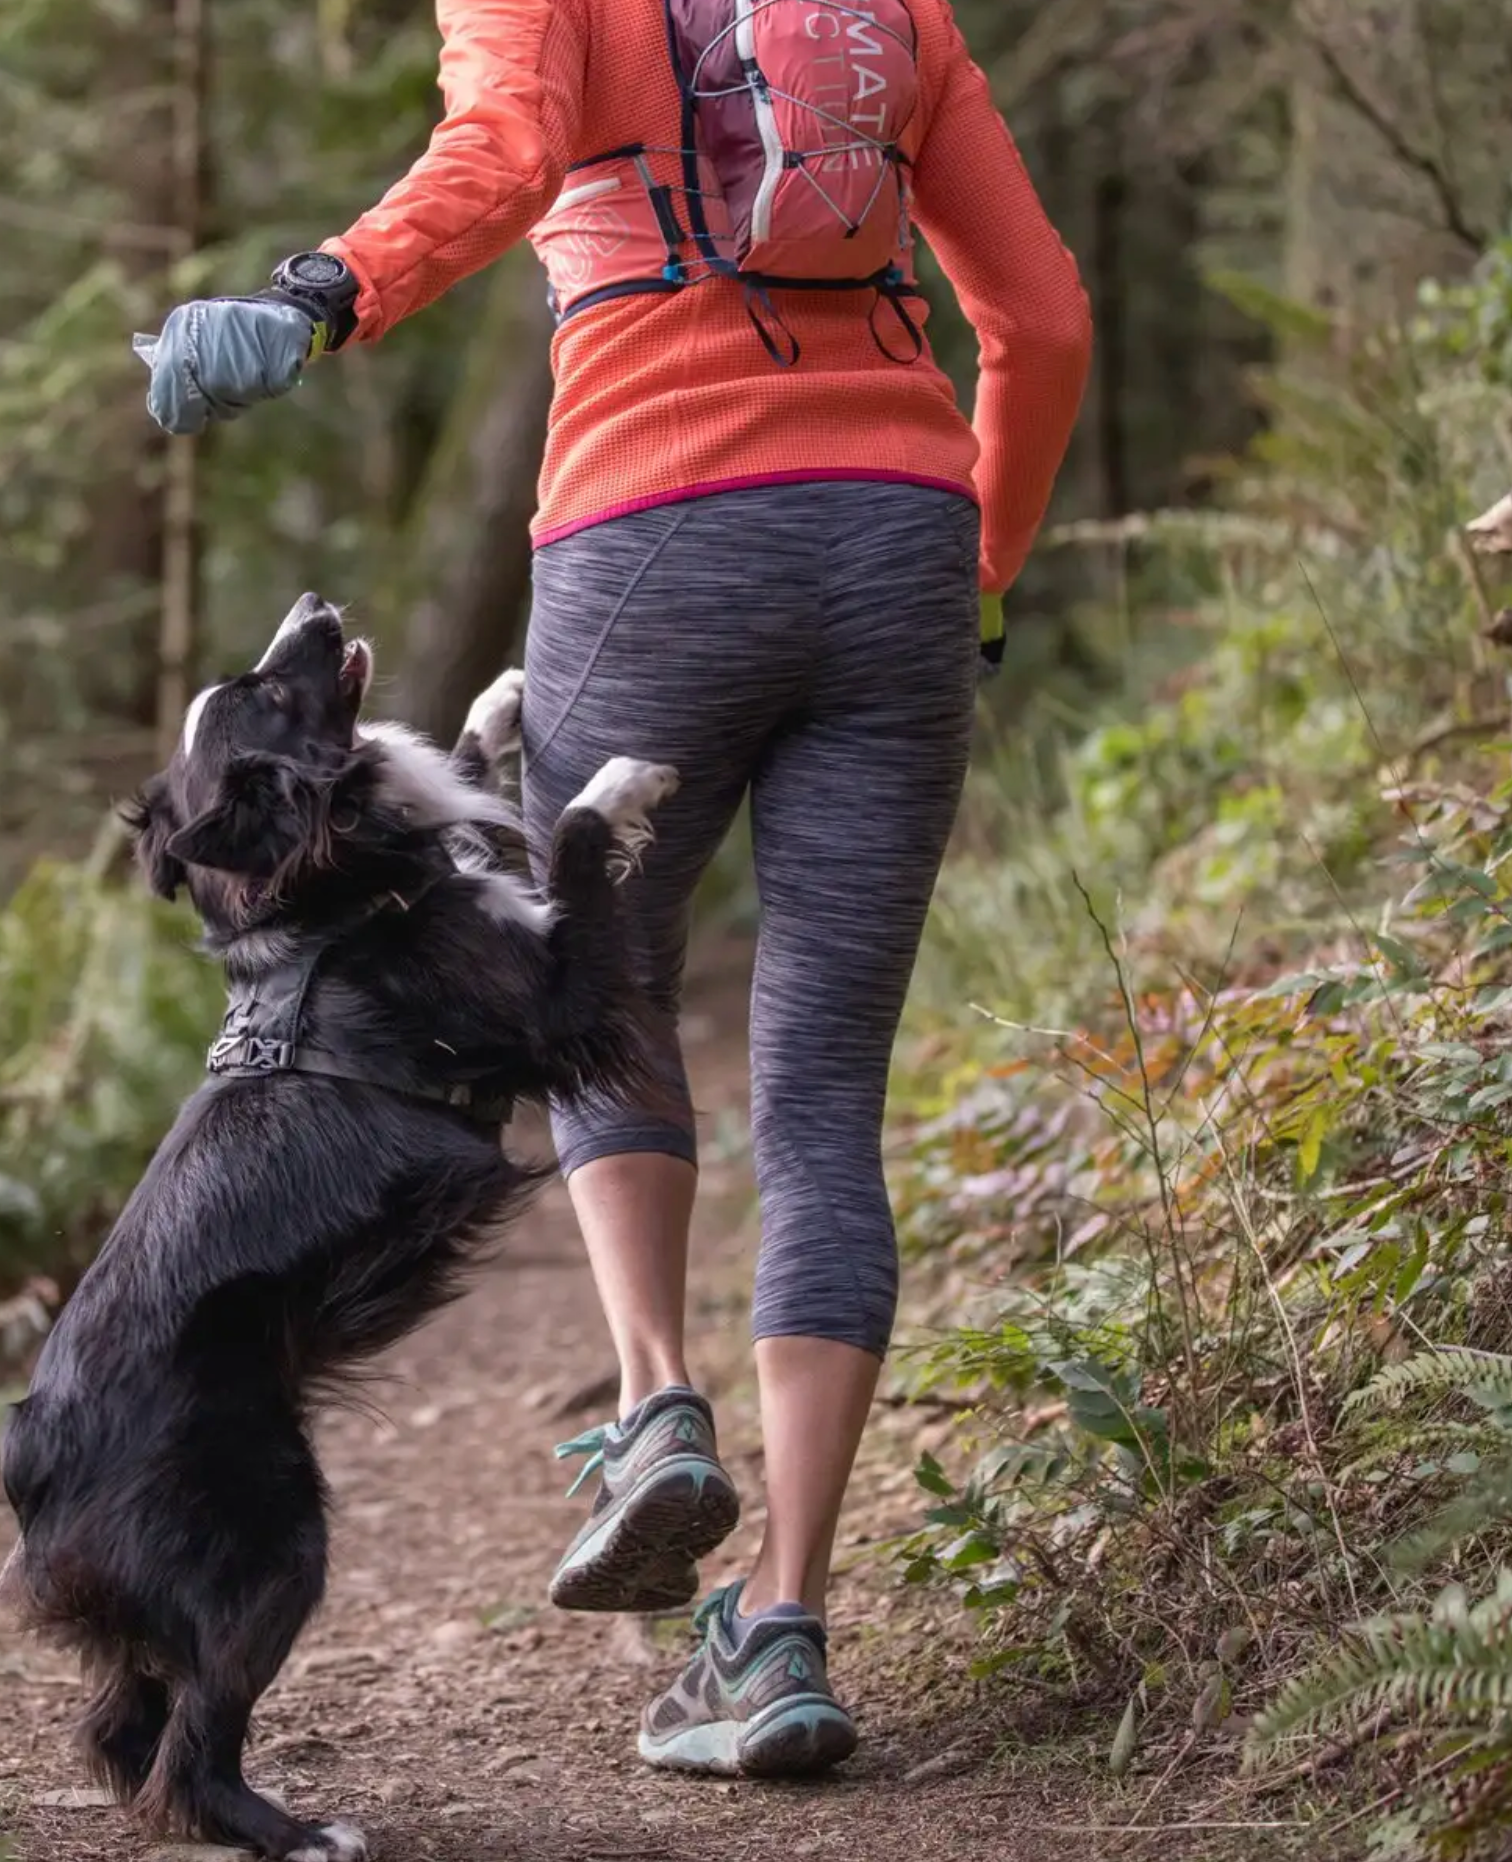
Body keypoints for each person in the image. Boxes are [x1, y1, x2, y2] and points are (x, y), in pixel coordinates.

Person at [133, 0, 1092, 1780]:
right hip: (895, 539)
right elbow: (1037, 315)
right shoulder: (891, 22)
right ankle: (783, 1628)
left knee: (606, 987)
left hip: (649, 527)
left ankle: (656, 1397)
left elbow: (497, 161)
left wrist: (312, 294)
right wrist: (975, 571)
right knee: (821, 1099)